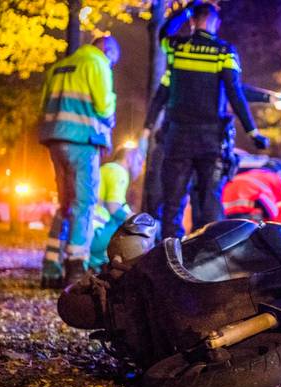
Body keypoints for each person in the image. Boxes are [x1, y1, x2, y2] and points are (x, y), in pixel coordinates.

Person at [140, 1, 269, 239]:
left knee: (173, 204)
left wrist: (190, 6)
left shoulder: (178, 48)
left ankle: (169, 257)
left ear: (192, 21)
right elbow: (235, 92)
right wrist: (253, 132)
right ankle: (207, 258)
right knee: (209, 202)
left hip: (178, 137)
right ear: (215, 23)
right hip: (211, 140)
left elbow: (164, 31)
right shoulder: (224, 51)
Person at [39, 36, 120, 288]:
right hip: (82, 141)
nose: (111, 66)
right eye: (112, 61)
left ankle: (50, 269)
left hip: (54, 138)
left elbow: (43, 105)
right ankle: (76, 268)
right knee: (84, 203)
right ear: (106, 51)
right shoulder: (97, 63)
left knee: (65, 204)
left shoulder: (59, 67)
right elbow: (105, 107)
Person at [89, 147, 143, 270]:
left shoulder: (106, 168)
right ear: (129, 158)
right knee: (130, 230)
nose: (140, 168)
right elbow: (114, 208)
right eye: (139, 162)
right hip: (97, 234)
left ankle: (95, 263)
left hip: (87, 232)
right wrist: (136, 221)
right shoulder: (119, 172)